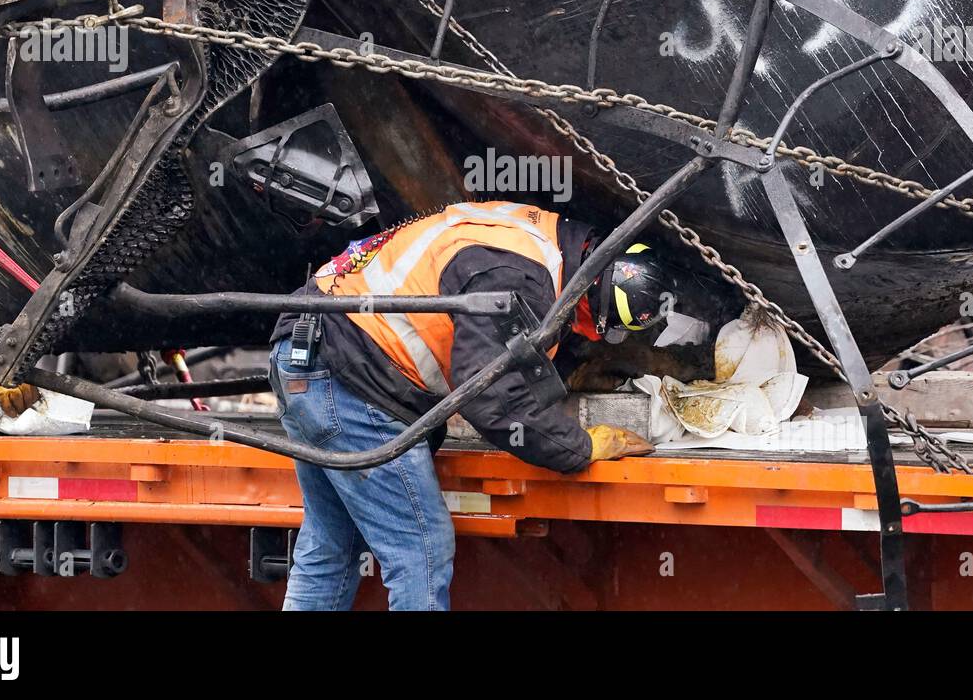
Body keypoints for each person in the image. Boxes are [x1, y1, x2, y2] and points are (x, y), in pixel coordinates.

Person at [269, 201, 678, 610]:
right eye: (597, 320)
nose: (587, 331)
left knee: (331, 544)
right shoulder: (514, 276)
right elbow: (490, 397)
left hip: (306, 356)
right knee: (421, 553)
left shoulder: (536, 242)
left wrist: (566, 376)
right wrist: (581, 447)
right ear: (592, 283)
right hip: (351, 375)